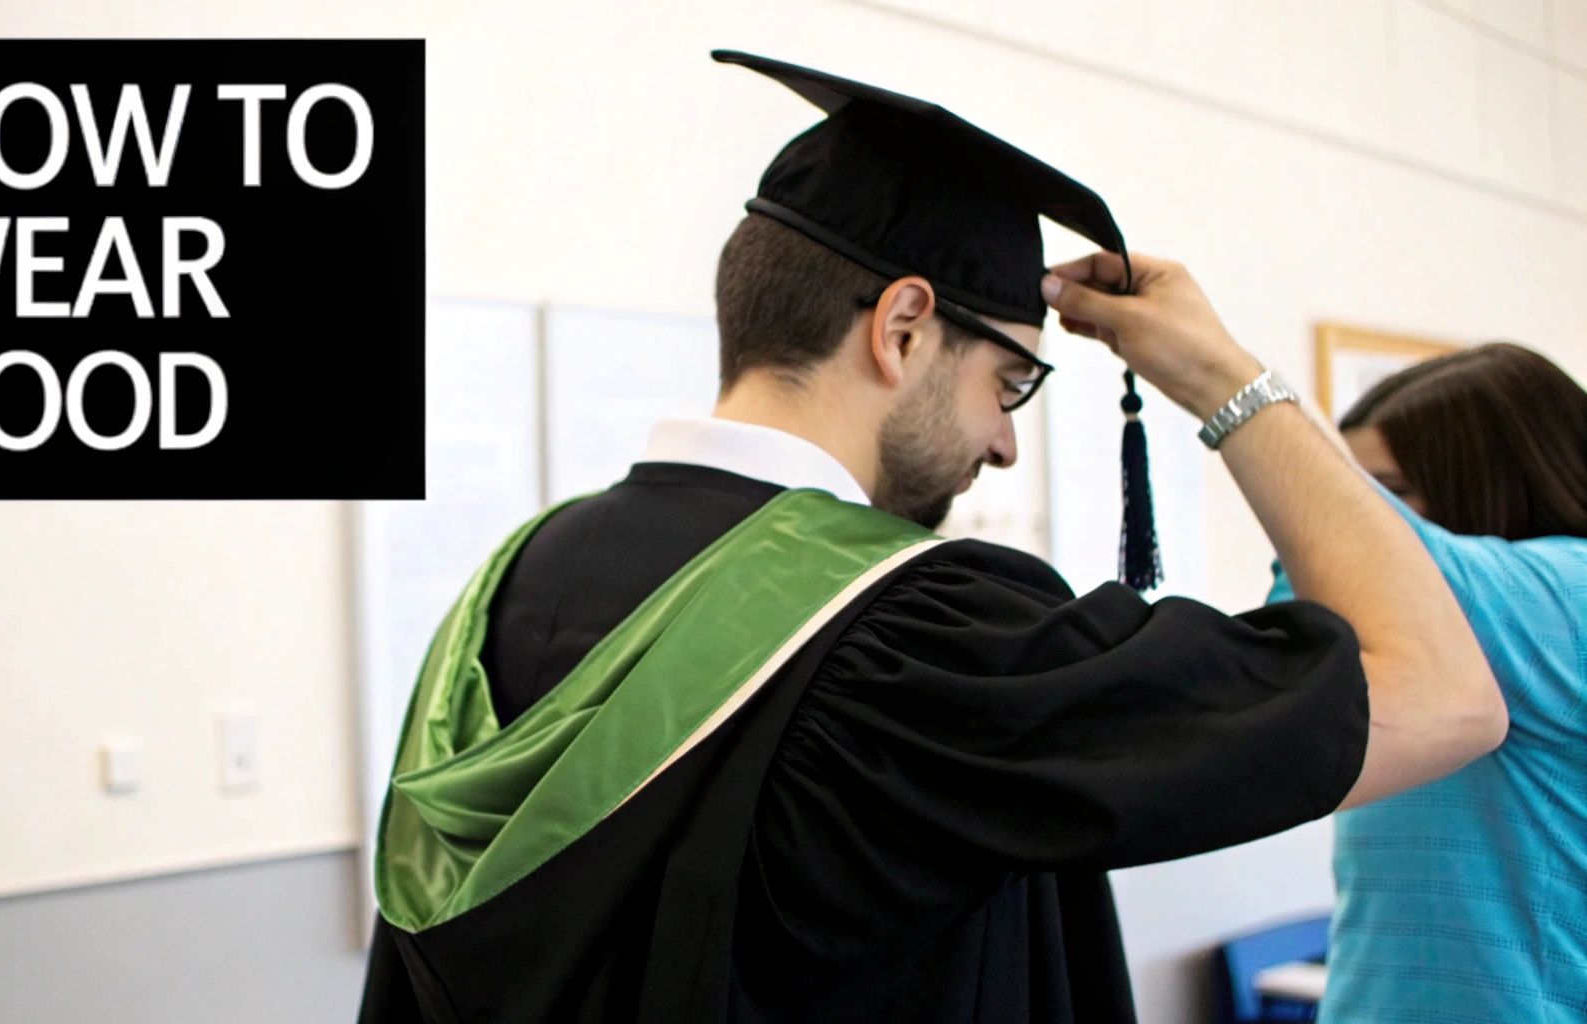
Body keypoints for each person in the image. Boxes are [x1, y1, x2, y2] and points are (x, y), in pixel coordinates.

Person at [358, 52, 1503, 1023]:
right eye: (1008, 382)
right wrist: (1220, 375)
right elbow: (1442, 691)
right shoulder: (929, 633)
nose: (1003, 444)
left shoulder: (505, 586)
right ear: (903, 325)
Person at [1268, 343, 1587, 1023]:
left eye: (1392, 494)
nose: (1364, 521)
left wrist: (1220, 380)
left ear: (1492, 481)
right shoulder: (1410, 645)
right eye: (1359, 490)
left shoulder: (1571, 591)